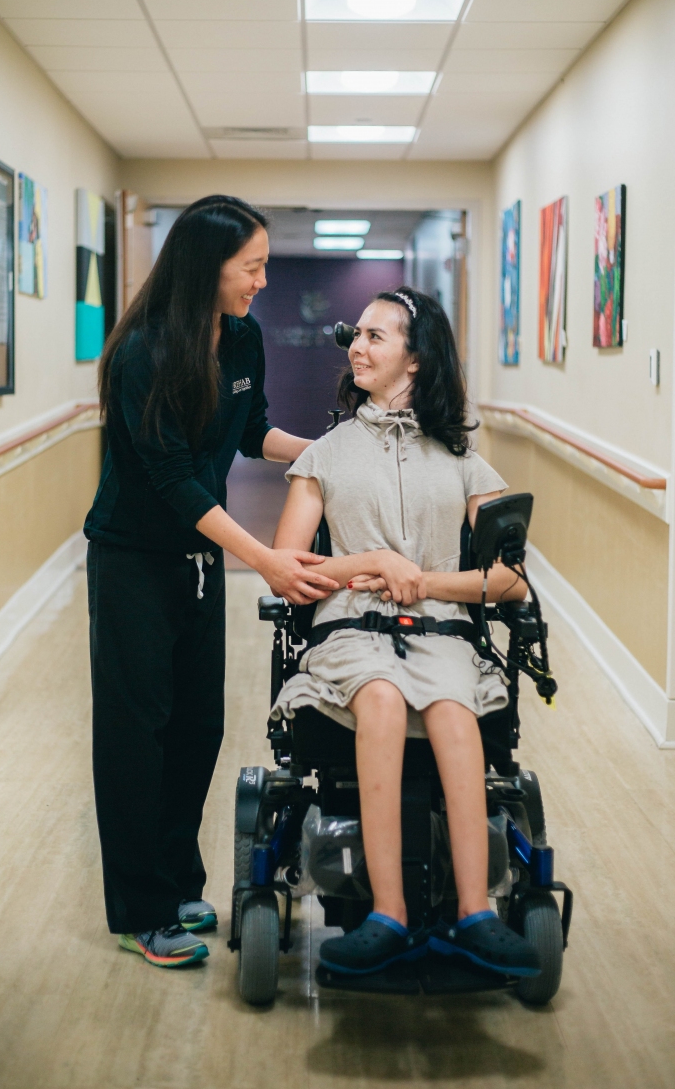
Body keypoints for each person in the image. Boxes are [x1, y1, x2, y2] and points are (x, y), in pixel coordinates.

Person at [84, 196, 338, 969]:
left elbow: (251, 427)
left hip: (197, 562)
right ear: (207, 268)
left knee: (197, 727)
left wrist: (331, 452)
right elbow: (170, 479)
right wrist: (262, 558)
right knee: (137, 734)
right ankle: (140, 909)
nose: (263, 280)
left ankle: (174, 882)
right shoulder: (144, 353)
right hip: (134, 560)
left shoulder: (244, 337)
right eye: (252, 266)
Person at [270, 288, 542, 979]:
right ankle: (387, 913)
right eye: (355, 335)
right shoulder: (324, 456)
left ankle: (476, 912)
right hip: (351, 631)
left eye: (375, 336)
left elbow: (508, 579)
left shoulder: (464, 463)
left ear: (416, 360)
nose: (357, 346)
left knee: (454, 713)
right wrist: (371, 566)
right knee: (384, 700)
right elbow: (286, 568)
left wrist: (426, 581)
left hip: (443, 632)